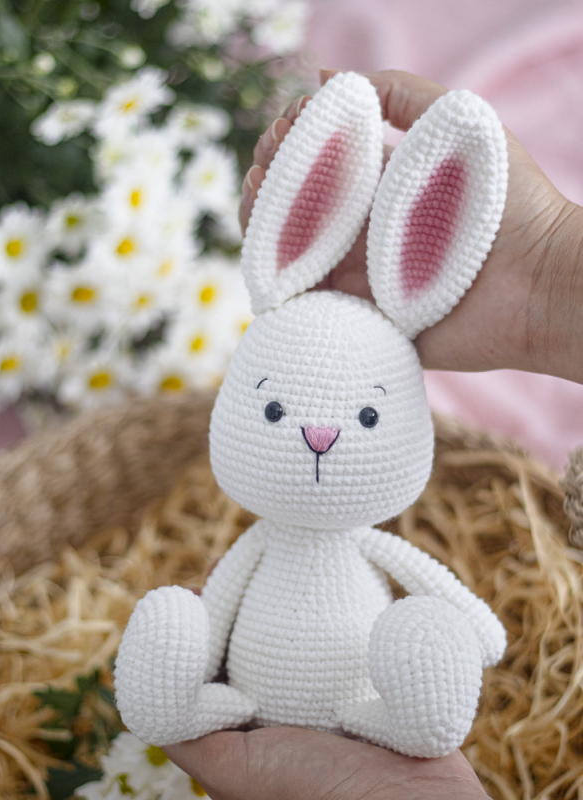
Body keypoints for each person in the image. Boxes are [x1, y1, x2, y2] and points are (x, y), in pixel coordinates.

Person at [163, 69, 583, 799]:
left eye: (365, 419)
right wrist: (188, 654)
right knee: (173, 620)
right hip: (246, 702)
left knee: (417, 633)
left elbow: (463, 615)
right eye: (273, 413)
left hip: (371, 711)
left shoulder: (365, 545)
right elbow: (211, 610)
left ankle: (416, 719)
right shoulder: (258, 546)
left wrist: (554, 273)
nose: (321, 437)